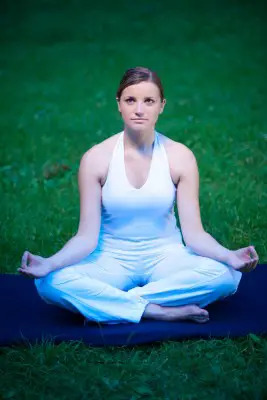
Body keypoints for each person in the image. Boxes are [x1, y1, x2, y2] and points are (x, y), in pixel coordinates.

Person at [18, 66, 259, 325]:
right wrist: (50, 263)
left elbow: (195, 235)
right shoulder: (96, 158)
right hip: (110, 258)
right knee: (49, 282)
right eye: (130, 100)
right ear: (119, 104)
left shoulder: (180, 156)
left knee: (226, 275)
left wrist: (228, 256)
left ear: (161, 106)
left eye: (149, 101)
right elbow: (85, 238)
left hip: (166, 256)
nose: (139, 109)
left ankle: (113, 304)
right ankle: (156, 310)